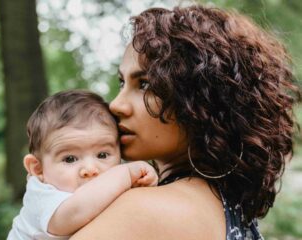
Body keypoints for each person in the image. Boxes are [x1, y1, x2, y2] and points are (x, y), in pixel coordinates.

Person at [70, 4, 301, 240]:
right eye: (122, 83)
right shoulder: (231, 215)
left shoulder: (145, 211)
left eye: (145, 84)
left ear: (204, 98)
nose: (116, 105)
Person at [7, 90, 158, 239]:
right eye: (70, 159)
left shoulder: (100, 190)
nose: (90, 169)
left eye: (102, 155)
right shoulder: (41, 196)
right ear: (37, 168)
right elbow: (74, 213)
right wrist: (127, 174)